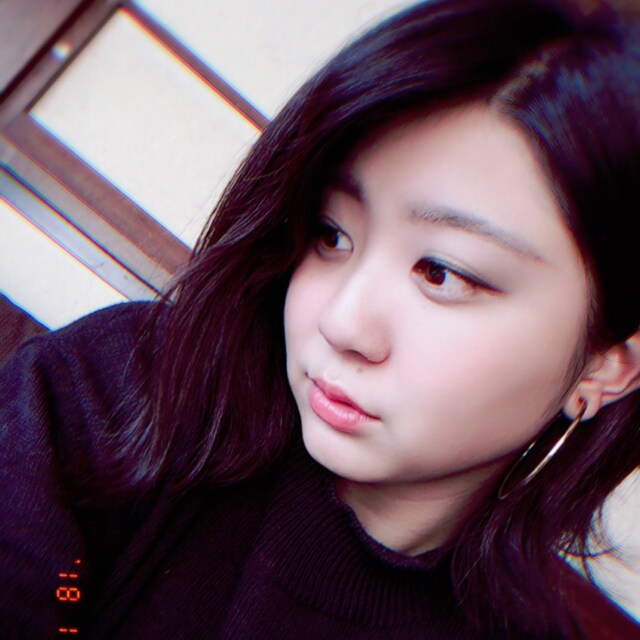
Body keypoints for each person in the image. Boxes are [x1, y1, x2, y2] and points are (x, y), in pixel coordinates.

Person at [1, 0, 640, 637]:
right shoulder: (129, 391)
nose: (341, 323)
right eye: (333, 234)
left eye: (441, 273)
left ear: (608, 366)